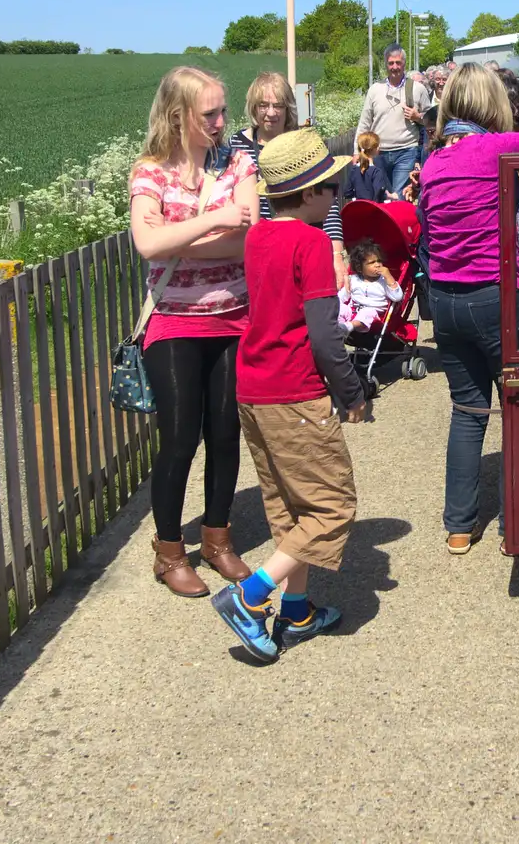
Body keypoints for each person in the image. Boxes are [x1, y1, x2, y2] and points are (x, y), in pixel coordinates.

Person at [211, 128, 370, 664]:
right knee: (331, 507)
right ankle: (250, 597)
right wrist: (351, 392)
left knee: (290, 509)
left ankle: (296, 611)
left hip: (253, 390)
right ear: (308, 194)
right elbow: (325, 336)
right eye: (330, 186)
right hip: (294, 393)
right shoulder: (310, 244)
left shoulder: (259, 236)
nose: (336, 194)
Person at [420, 56, 519, 556]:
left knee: (468, 410)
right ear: (492, 103)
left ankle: (459, 527)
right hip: (499, 300)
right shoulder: (497, 150)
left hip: (446, 302)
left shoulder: (432, 164)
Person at [128, 66, 258, 598]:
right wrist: (213, 220)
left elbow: (246, 237)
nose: (222, 122)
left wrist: (177, 236)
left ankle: (218, 539)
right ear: (179, 115)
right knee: (179, 439)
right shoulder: (149, 172)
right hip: (174, 321)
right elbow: (145, 244)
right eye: (211, 114)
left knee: (226, 435)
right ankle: (168, 551)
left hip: (233, 315)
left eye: (223, 110)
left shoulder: (238, 162)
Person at [231, 71, 348, 287]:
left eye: (278, 106)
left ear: (289, 108)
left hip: (304, 246)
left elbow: (328, 200)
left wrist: (336, 254)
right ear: (253, 107)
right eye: (263, 105)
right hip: (259, 250)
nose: (271, 113)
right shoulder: (236, 146)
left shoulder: (305, 143)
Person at [358, 45, 431, 200]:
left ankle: (400, 224)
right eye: (391, 63)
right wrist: (356, 151)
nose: (394, 67)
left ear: (404, 63)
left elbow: (431, 120)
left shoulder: (417, 89)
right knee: (378, 197)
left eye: (398, 63)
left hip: (406, 151)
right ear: (386, 64)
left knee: (400, 198)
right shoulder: (375, 90)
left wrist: (418, 116)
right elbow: (365, 122)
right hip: (377, 152)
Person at [338, 239, 403, 334]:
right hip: (353, 311)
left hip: (373, 314)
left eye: (379, 261)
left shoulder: (384, 281)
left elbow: (397, 297)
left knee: (367, 312)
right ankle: (339, 327)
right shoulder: (354, 279)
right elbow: (341, 297)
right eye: (372, 262)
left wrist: (389, 277)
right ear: (360, 267)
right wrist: (346, 287)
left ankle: (350, 326)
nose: (377, 265)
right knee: (338, 307)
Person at [342, 132, 391, 202]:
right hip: (372, 209)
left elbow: (347, 193)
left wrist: (359, 194)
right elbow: (378, 194)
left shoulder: (354, 170)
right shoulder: (376, 172)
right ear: (375, 149)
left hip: (359, 208)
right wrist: (391, 196)